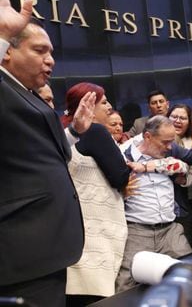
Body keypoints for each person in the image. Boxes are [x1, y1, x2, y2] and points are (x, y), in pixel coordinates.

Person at [0, 0, 96, 306]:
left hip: (46, 251)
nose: (50, 60)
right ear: (8, 53)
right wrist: (1, 33)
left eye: (52, 52)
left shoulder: (28, 96)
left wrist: (75, 132)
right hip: (21, 253)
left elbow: (39, 154)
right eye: (40, 50)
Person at [61, 82, 132, 306]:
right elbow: (120, 176)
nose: (109, 106)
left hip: (73, 234)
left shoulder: (64, 132)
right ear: (87, 105)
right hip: (97, 234)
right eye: (103, 102)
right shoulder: (95, 131)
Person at [116, 116, 192, 292]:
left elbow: (184, 167)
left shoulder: (169, 150)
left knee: (190, 273)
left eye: (171, 142)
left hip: (170, 229)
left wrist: (148, 166)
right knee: (124, 284)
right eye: (165, 142)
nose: (169, 146)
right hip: (137, 230)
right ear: (148, 137)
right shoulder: (122, 155)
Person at [168, 104, 192, 247]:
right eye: (174, 117)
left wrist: (185, 179)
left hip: (188, 196)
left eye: (182, 118)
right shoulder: (159, 139)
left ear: (189, 122)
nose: (177, 121)